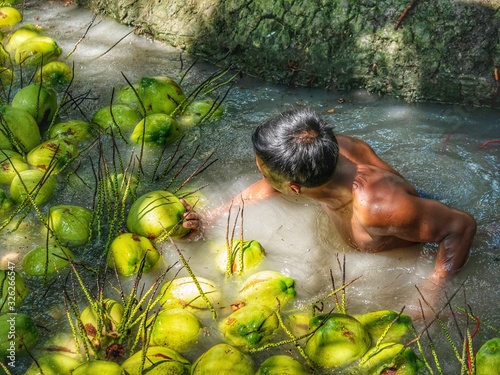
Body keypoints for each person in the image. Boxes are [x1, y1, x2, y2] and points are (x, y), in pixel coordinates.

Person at [194, 107, 476, 291]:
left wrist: (433, 288)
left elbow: (461, 226)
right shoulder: (322, 149)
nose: (260, 173)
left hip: (406, 236)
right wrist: (211, 217)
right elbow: (269, 187)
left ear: (294, 188)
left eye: (262, 169)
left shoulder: (376, 208)